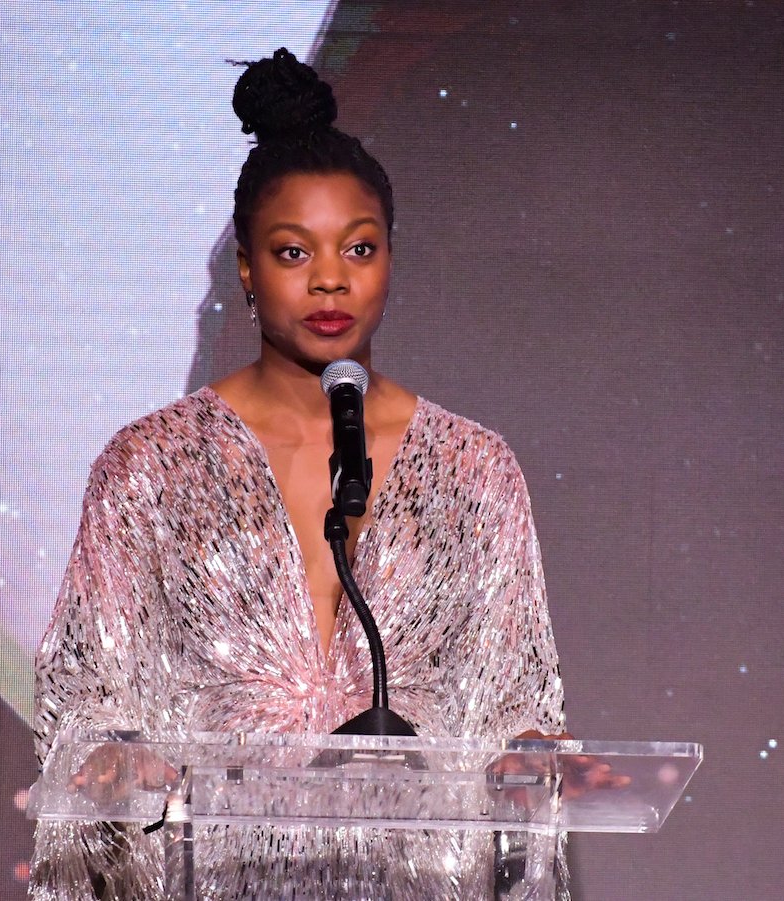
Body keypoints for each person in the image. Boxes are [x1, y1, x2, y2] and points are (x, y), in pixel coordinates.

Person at [29, 48, 586, 900]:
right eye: (294, 253)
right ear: (248, 268)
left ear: (391, 259)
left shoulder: (475, 471)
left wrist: (531, 755)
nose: (331, 278)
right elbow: (86, 699)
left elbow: (517, 699)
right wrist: (114, 755)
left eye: (358, 248)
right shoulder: (149, 469)